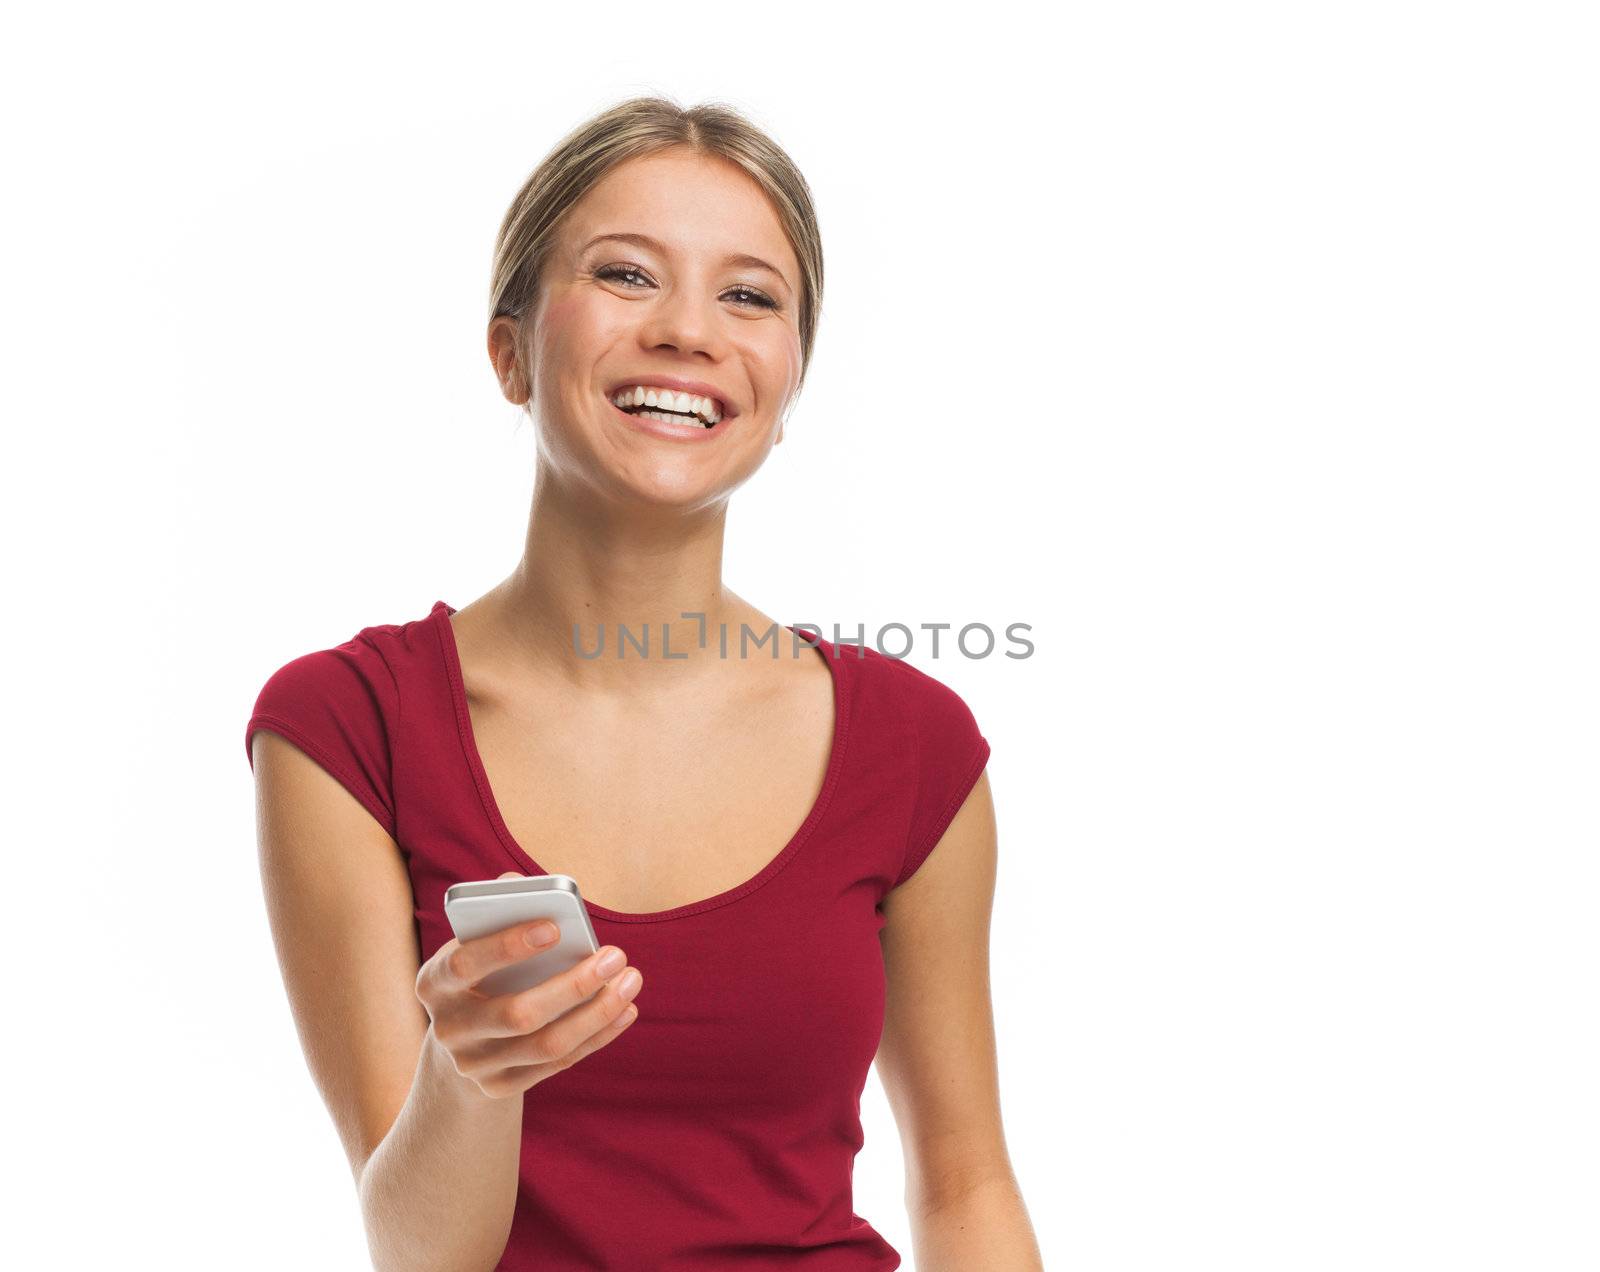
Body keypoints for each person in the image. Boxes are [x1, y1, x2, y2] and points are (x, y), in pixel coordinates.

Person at [245, 95, 1043, 1271]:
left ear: (785, 389)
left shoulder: (913, 746)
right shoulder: (346, 730)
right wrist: (469, 1073)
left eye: (749, 296)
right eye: (625, 275)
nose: (688, 330)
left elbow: (966, 1185)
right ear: (510, 351)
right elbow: (422, 1253)